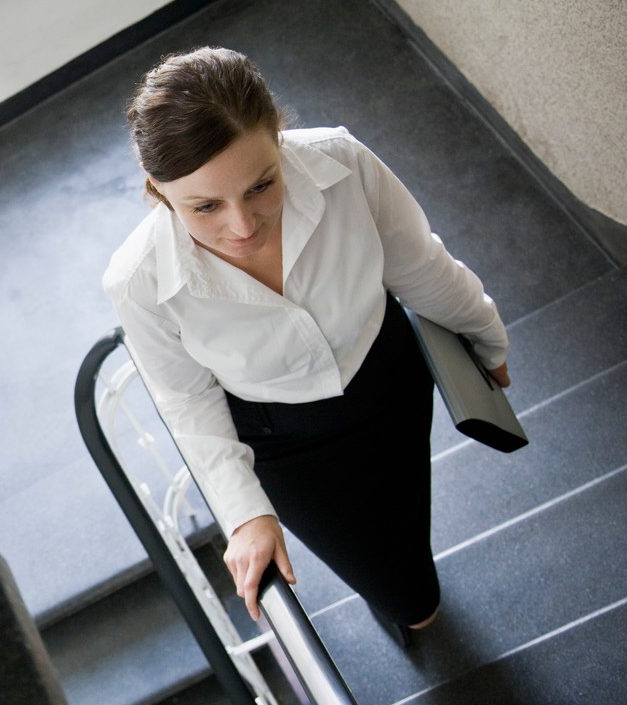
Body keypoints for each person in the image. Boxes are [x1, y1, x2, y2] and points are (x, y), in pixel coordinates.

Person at [103, 46, 510, 645]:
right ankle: (400, 595)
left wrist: (485, 335)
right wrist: (245, 514)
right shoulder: (138, 282)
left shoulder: (341, 162)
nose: (242, 226)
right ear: (159, 192)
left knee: (404, 516)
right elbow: (188, 402)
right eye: (205, 206)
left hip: (389, 377)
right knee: (410, 597)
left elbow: (421, 265)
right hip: (282, 441)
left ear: (280, 139)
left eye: (262, 184)